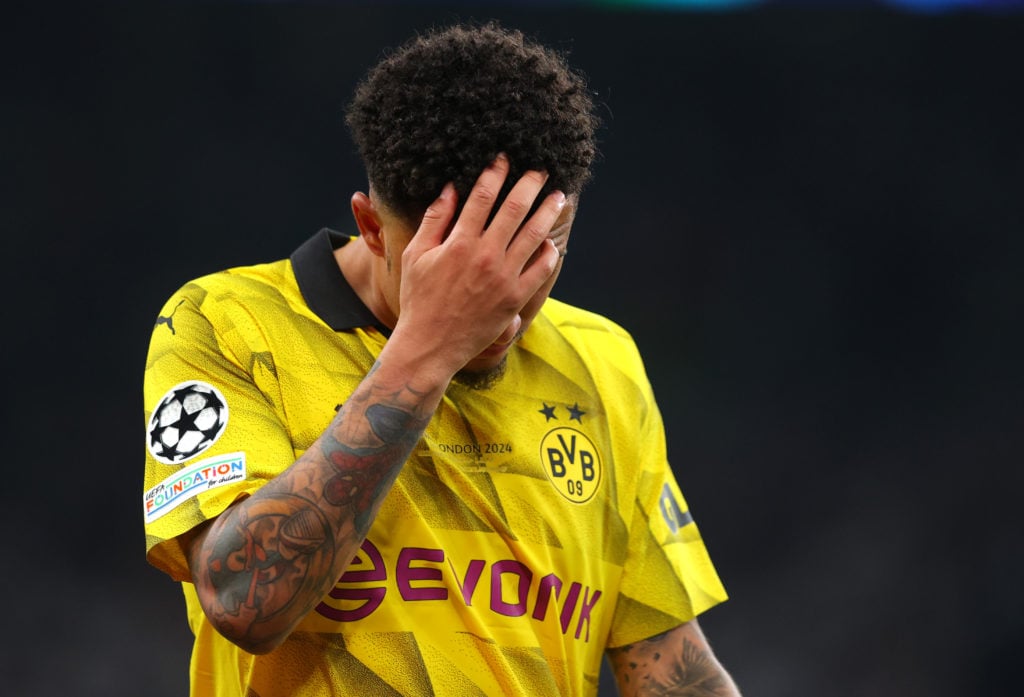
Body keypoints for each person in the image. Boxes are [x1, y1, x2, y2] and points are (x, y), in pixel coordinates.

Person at [142, 21, 741, 697]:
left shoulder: (602, 362)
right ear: (371, 225)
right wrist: (431, 347)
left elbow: (672, 671)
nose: (505, 308)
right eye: (459, 268)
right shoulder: (229, 322)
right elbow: (245, 598)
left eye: (538, 254)